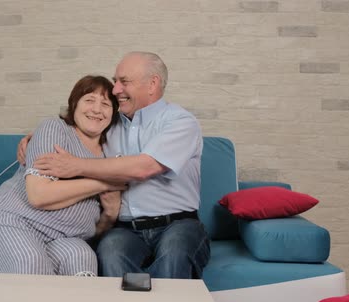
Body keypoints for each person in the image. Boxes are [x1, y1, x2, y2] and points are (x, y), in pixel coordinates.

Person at [18, 52, 210, 279]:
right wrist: (35, 139)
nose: (116, 89)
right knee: (110, 252)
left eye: (124, 82)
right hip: (125, 229)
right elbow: (77, 129)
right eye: (116, 81)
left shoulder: (180, 122)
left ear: (152, 84)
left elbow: (144, 168)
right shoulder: (110, 124)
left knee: (175, 252)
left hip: (177, 224)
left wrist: (76, 166)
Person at [0, 75, 125, 277]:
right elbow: (39, 195)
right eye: (89, 100)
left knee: (83, 260)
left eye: (105, 104)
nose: (97, 109)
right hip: (16, 220)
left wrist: (110, 215)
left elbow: (99, 226)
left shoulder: (111, 152)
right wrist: (103, 182)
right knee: (29, 260)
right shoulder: (55, 128)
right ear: (74, 105)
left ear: (113, 114)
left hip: (67, 236)